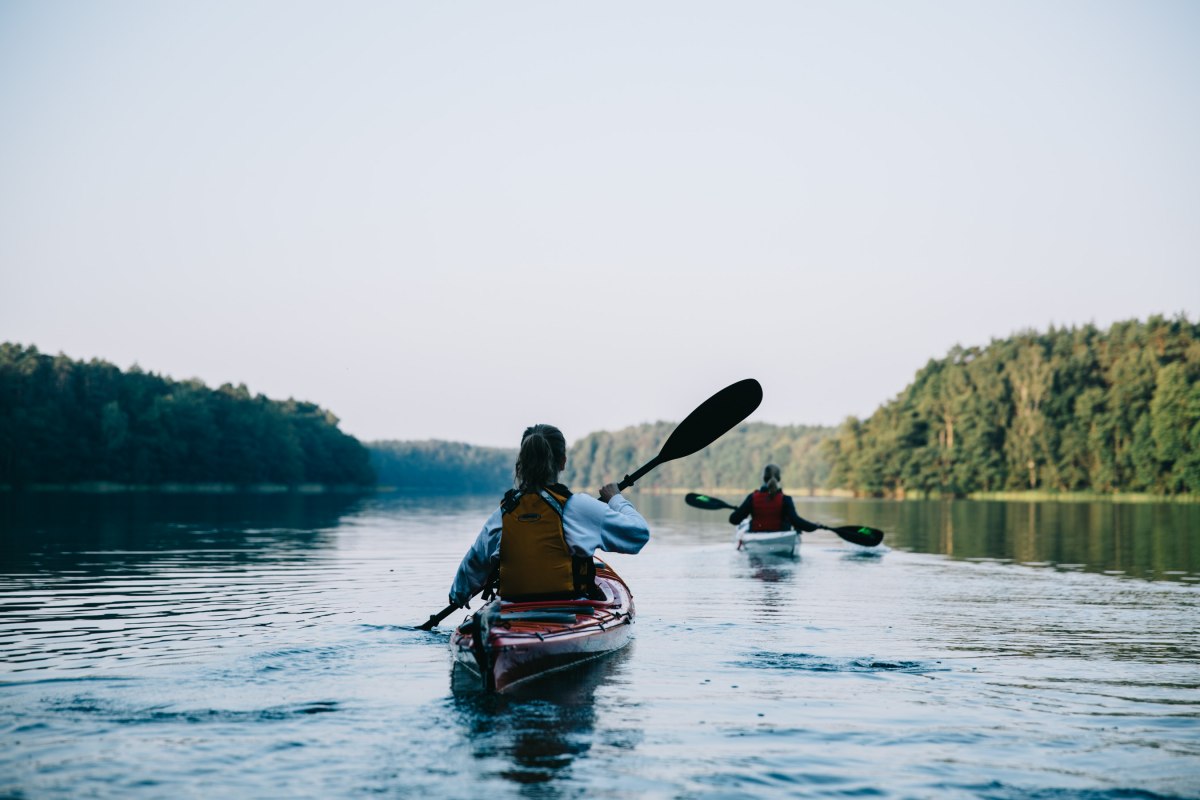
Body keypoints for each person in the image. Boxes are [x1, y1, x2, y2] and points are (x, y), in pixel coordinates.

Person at [448, 424, 650, 607]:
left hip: (511, 613)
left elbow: (469, 572)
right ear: (562, 462)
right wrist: (615, 499)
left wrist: (459, 594)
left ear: (522, 462)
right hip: (568, 612)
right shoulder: (579, 507)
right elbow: (638, 535)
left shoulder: (503, 514)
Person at [728, 464, 819, 533]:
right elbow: (796, 521)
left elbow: (734, 520)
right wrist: (814, 526)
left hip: (757, 536)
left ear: (763, 478)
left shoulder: (752, 498)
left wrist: (738, 511)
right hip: (780, 535)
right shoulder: (786, 499)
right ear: (779, 479)